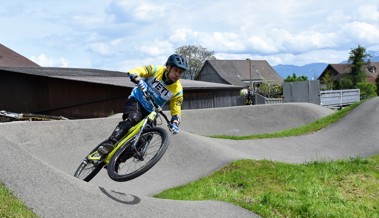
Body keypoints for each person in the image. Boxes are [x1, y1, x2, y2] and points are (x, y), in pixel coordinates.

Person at [98, 54, 188, 156]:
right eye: (176, 70)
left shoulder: (178, 90)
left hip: (151, 112)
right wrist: (138, 79)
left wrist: (175, 122)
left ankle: (116, 163)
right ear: (168, 67)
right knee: (133, 118)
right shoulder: (156, 70)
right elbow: (135, 71)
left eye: (180, 72)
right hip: (137, 100)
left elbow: (176, 107)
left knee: (145, 138)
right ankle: (109, 143)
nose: (177, 74)